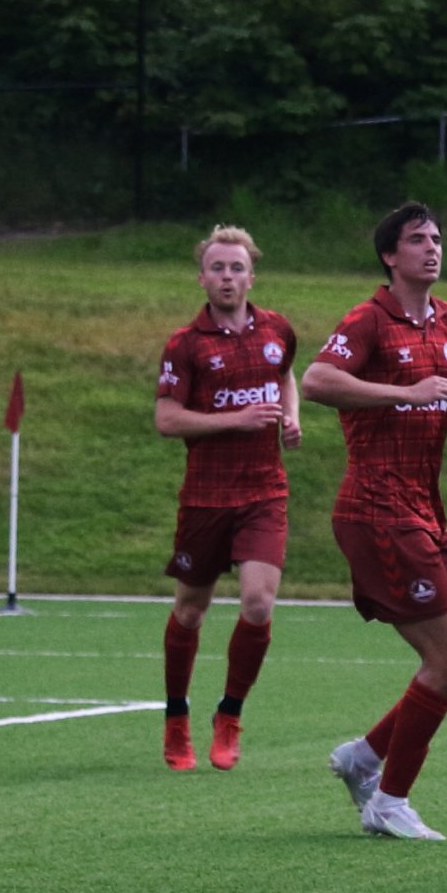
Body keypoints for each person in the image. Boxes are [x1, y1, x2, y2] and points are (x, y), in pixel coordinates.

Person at [305, 202, 447, 841]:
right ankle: (389, 800)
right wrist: (406, 392)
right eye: (418, 239)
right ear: (390, 255)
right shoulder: (368, 319)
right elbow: (315, 380)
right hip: (375, 510)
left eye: (437, 238)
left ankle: (364, 756)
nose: (432, 247)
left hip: (425, 512)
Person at [153, 225, 300, 773]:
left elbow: (284, 376)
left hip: (264, 491)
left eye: (236, 268)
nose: (227, 277)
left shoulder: (277, 329)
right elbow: (167, 418)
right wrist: (236, 419)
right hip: (206, 497)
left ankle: (230, 714)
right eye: (217, 268)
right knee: (190, 611)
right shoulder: (185, 344)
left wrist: (291, 417)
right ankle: (175, 717)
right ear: (202, 278)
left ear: (251, 276)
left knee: (259, 604)